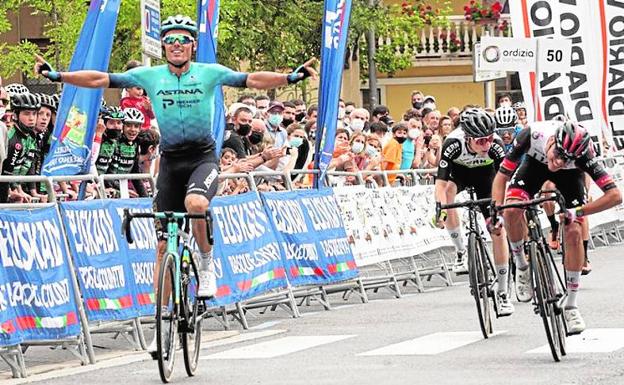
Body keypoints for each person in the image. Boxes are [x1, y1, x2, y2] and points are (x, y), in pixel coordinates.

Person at [34, 14, 316, 305]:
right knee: (161, 246)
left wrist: (289, 77)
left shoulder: (209, 72)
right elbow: (100, 78)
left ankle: (206, 263)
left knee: (195, 204)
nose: (176, 45)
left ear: (193, 45)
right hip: (170, 162)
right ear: (164, 45)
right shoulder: (150, 75)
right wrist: (59, 76)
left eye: (183, 40)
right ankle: (161, 321)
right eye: (170, 40)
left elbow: (251, 79)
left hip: (202, 158)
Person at [492, 119, 622, 334]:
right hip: (533, 167)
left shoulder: (583, 154)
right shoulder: (531, 134)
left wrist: (579, 212)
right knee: (512, 210)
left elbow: (615, 196)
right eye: (559, 154)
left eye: (568, 158)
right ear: (552, 141)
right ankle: (521, 264)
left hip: (571, 179)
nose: (560, 161)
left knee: (574, 230)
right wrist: (495, 211)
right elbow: (501, 177)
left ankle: (571, 304)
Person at [434, 108, 513, 316]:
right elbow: (440, 185)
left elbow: (503, 181)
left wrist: (500, 211)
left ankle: (503, 292)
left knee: (497, 229)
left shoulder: (496, 145)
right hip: (459, 174)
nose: (486, 145)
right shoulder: (452, 143)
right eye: (479, 141)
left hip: (487, 177)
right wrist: (440, 212)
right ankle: (460, 250)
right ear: (467, 137)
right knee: (449, 193)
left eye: (488, 139)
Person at [0, 93, 39, 203]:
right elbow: (7, 171)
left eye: (34, 114)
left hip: (14, 186)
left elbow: (22, 166)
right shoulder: (13, 140)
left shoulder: (30, 137)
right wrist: (10, 192)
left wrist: (19, 190)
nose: (31, 118)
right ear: (16, 115)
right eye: (26, 114)